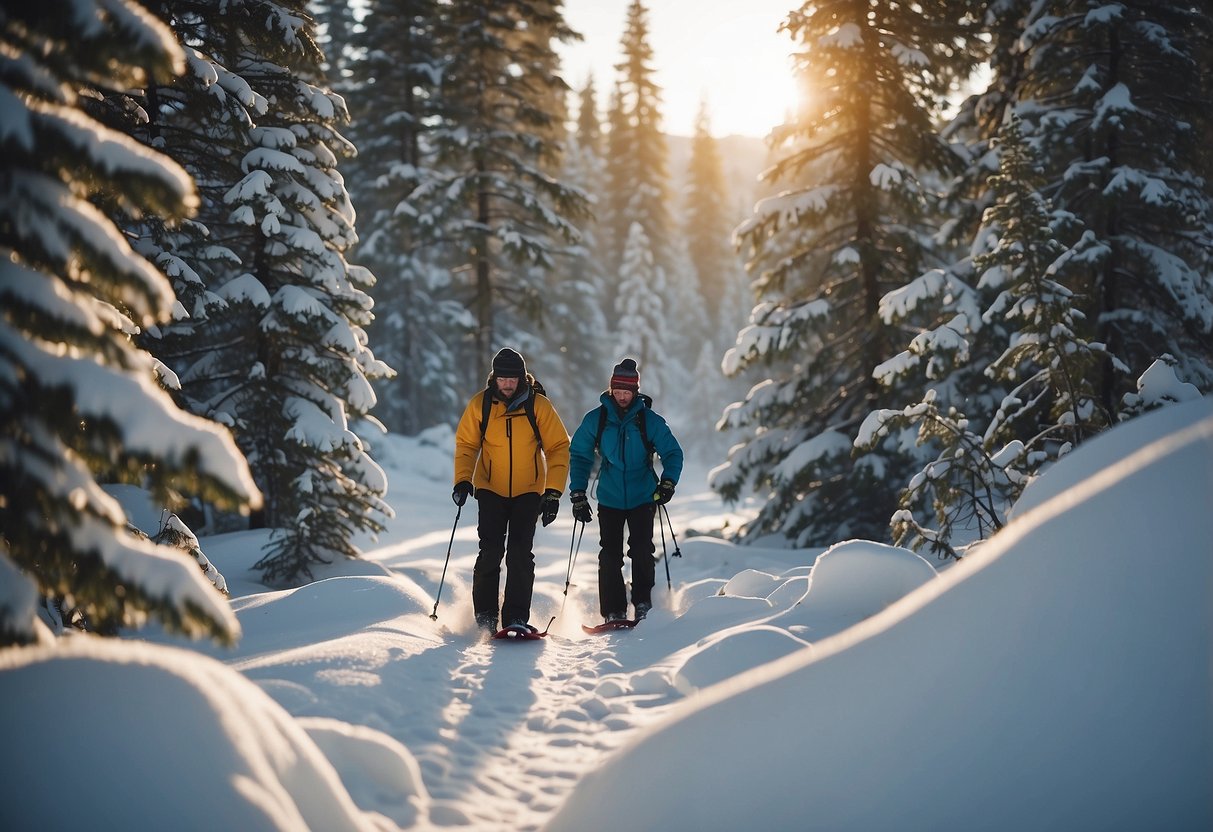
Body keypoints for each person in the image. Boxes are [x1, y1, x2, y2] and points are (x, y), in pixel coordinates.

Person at [453, 348, 570, 635]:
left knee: (520, 553)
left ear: (522, 378)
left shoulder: (538, 406)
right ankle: (485, 617)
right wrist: (463, 480)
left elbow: (557, 448)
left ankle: (516, 617)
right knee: (490, 551)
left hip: (529, 491)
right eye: (503, 379)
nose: (507, 384)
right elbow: (467, 445)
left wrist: (553, 492)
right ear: (494, 378)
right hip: (490, 488)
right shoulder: (481, 405)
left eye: (513, 379)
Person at [567, 358, 683, 623]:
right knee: (610, 555)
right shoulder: (596, 419)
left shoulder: (648, 421)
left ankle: (643, 604)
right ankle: (613, 610)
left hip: (644, 495)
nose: (621, 396)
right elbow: (580, 456)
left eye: (626, 392)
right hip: (609, 496)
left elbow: (673, 453)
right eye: (617, 391)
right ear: (611, 390)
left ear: (635, 392)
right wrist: (578, 493)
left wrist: (668, 482)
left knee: (642, 550)